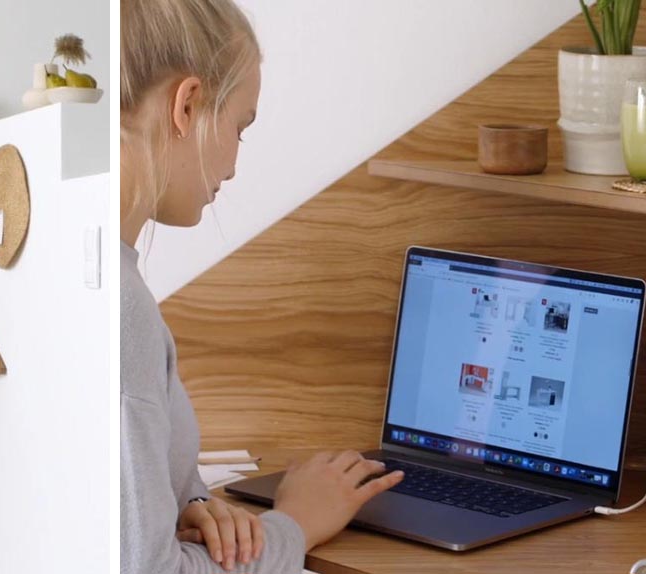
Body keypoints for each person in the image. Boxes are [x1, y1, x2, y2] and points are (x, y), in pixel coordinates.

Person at [120, 1, 405, 572]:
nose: (233, 165)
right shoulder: (120, 310)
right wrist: (294, 523)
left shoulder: (97, 272)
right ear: (188, 104)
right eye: (239, 128)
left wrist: (191, 501)